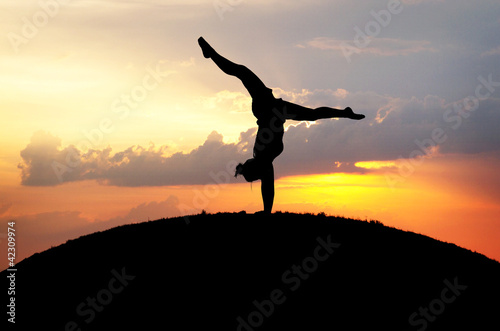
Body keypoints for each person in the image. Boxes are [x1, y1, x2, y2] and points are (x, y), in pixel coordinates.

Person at [198, 37, 365, 214]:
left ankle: (344, 113)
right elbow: (267, 189)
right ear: (253, 167)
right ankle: (345, 112)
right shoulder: (263, 161)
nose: (246, 161)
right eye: (247, 164)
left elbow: (264, 185)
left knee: (243, 73)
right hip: (270, 109)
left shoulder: (263, 161)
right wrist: (266, 212)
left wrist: (265, 209)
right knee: (244, 73)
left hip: (271, 110)